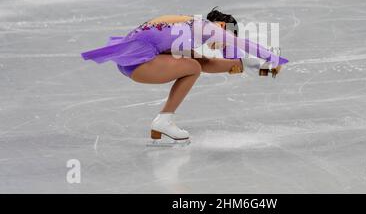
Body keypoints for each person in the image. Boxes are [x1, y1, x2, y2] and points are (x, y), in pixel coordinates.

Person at [81, 8, 288, 144]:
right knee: (192, 67)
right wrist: (275, 59)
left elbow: (207, 62)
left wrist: (245, 65)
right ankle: (163, 120)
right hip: (138, 61)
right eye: (227, 37)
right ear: (223, 26)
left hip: (133, 61)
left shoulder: (191, 28)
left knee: (194, 64)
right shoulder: (207, 28)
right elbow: (243, 45)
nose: (223, 43)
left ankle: (163, 121)